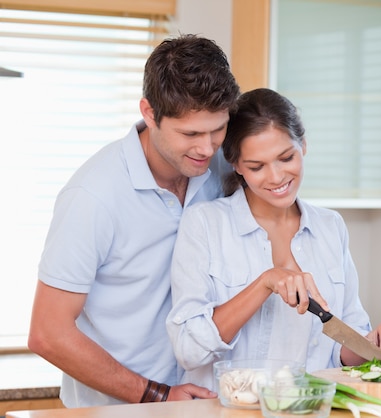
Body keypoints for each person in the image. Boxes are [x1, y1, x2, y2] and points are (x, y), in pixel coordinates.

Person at [28, 34, 241, 407]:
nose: (206, 148)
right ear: (149, 112)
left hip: (205, 401)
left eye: (217, 130)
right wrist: (157, 396)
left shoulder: (222, 167)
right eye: (190, 133)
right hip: (116, 409)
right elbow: (48, 332)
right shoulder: (93, 196)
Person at [166, 88, 381, 389]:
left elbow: (340, 352)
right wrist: (266, 282)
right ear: (236, 164)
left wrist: (370, 344)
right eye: (256, 167)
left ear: (303, 144)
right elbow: (189, 349)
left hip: (308, 408)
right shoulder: (204, 224)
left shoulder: (331, 227)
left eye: (286, 157)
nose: (276, 177)